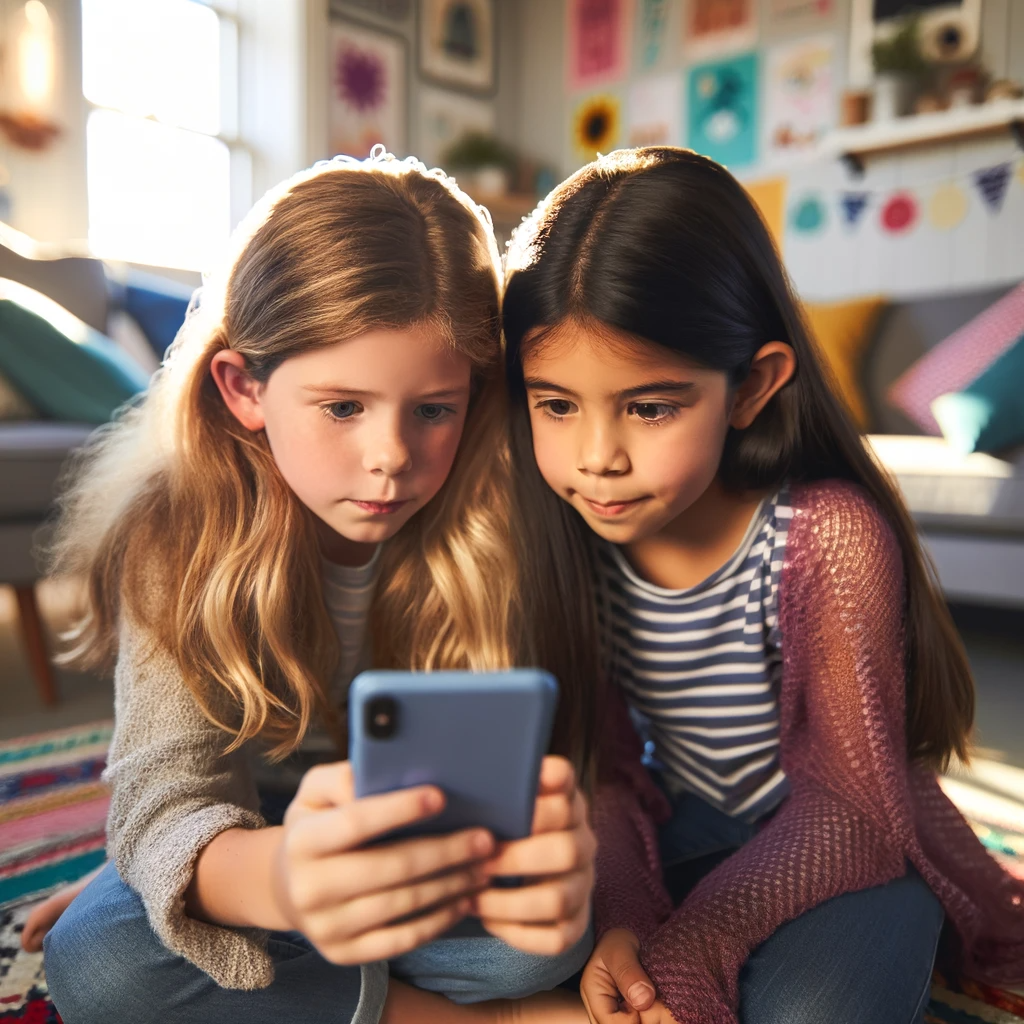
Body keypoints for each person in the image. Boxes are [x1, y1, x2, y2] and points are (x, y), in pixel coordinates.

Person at [39, 150, 595, 1024]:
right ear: (242, 388)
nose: (391, 456)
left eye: (433, 409)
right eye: (343, 407)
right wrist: (261, 879)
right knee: (100, 964)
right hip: (247, 826)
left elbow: (504, 787)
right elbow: (175, 791)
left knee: (540, 941)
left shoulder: (490, 518)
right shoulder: (177, 529)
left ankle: (256, 949)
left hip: (401, 830)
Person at [501, 146, 1024, 1024]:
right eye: (556, 404)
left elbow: (855, 804)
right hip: (685, 822)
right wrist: (629, 919)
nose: (598, 458)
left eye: (651, 406)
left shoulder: (826, 537)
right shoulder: (570, 539)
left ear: (752, 386)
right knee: (546, 954)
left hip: (851, 839)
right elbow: (609, 774)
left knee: (811, 1010)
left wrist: (698, 939)